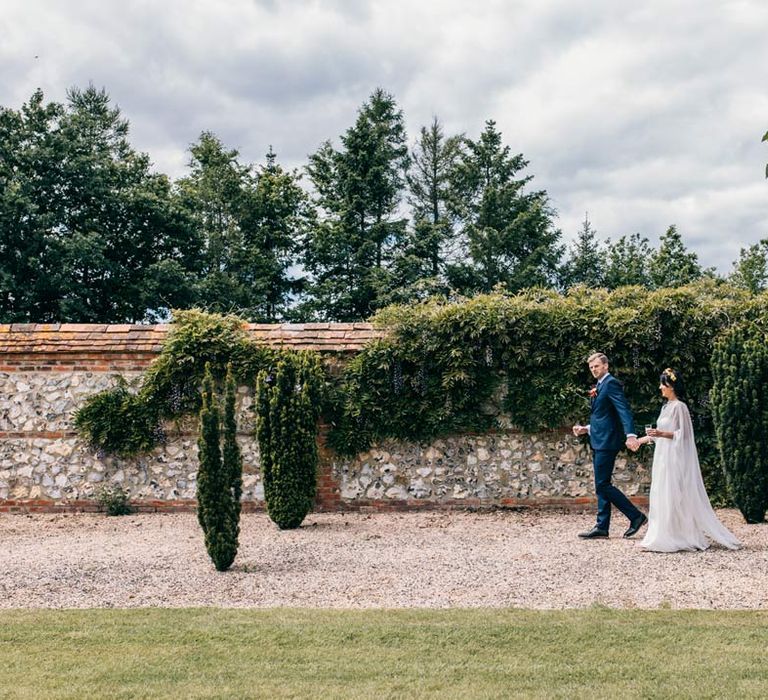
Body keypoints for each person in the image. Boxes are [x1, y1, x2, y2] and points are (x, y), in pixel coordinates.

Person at [636, 368, 740, 552]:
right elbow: (657, 434)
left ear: (671, 386)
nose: (660, 387)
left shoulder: (679, 407)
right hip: (662, 456)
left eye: (663, 384)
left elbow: (684, 434)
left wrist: (661, 433)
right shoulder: (665, 407)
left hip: (673, 457)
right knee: (661, 492)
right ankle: (661, 535)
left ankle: (680, 536)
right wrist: (640, 441)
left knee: (674, 493)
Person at [572, 352, 647, 539]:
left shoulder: (611, 383)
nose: (593, 370)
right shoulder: (599, 385)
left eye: (596, 366)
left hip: (607, 442)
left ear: (606, 366)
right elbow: (603, 417)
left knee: (602, 485)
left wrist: (631, 435)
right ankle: (602, 527)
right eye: (591, 367)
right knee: (602, 484)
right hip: (599, 439)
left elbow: (623, 410)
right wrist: (586, 428)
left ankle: (636, 516)